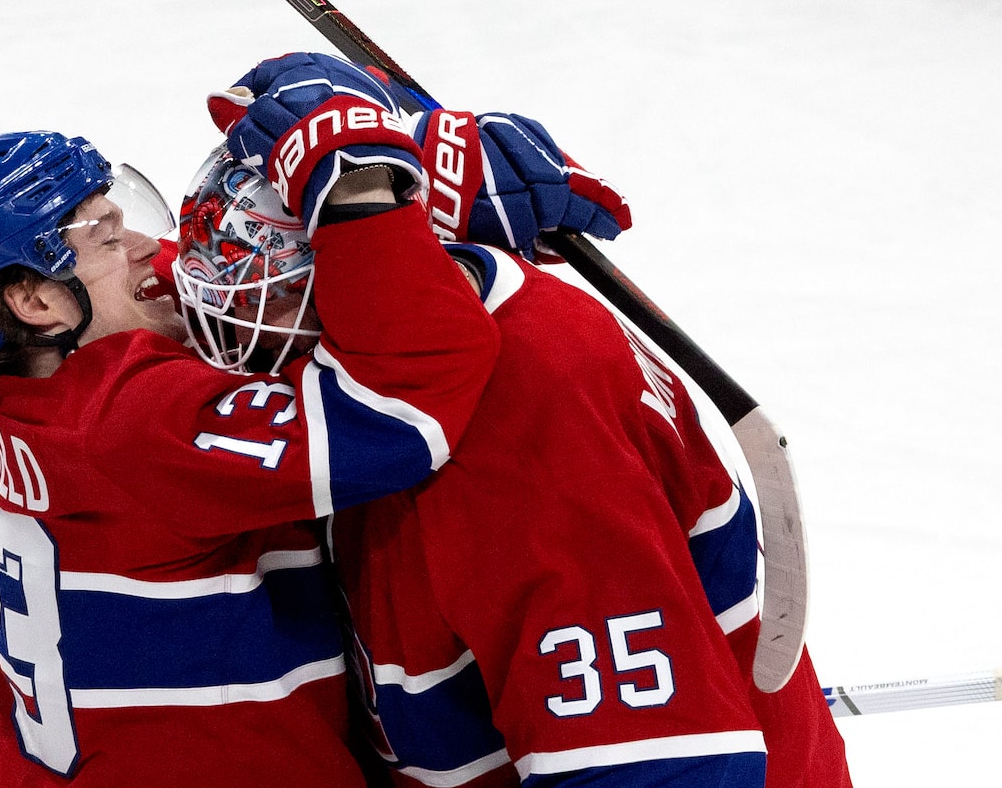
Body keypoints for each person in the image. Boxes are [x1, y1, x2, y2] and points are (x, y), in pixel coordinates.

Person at [189, 54, 854, 788]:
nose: (220, 318)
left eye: (262, 286)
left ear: (352, 266)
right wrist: (392, 151)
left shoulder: (524, 424)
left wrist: (369, 179)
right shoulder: (420, 337)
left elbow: (654, 767)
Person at [0, 52, 502, 786]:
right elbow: (400, 416)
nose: (152, 249)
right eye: (110, 240)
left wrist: (413, 155)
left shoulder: (30, 390)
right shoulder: (140, 419)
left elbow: (207, 267)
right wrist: (361, 198)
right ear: (38, 305)